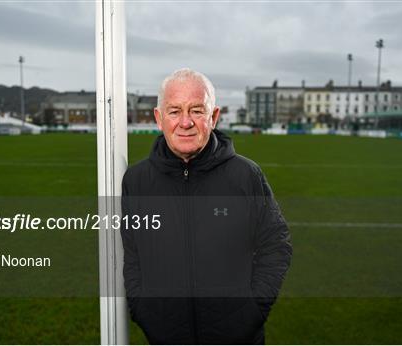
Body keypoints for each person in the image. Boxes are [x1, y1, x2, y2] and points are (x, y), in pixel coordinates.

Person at [120, 68, 292, 344]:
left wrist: (251, 310)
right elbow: (133, 254)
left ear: (213, 117)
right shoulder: (137, 181)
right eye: (174, 111)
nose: (185, 122)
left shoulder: (245, 175)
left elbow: (276, 245)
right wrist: (143, 309)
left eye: (197, 111)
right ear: (158, 118)